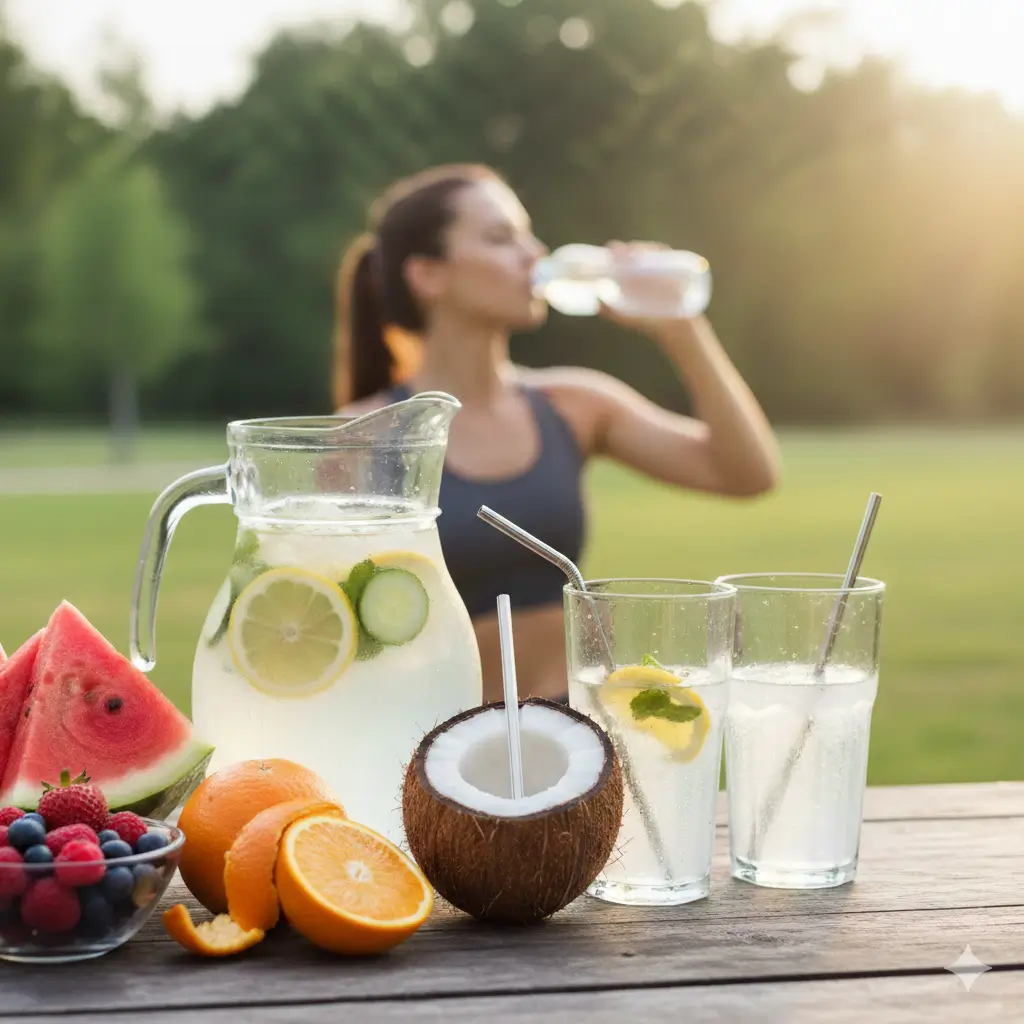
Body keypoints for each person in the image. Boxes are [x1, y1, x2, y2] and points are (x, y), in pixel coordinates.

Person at [332, 163, 780, 704]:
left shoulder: (575, 405)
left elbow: (745, 472)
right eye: (501, 238)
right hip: (436, 750)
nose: (533, 252)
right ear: (428, 274)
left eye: (527, 233)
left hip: (578, 741)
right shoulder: (360, 438)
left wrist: (681, 324)